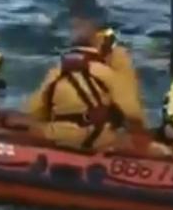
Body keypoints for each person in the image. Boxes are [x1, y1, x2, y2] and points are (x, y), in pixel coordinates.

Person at [22, 10, 148, 151]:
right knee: (127, 141)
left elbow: (34, 110)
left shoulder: (56, 72)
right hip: (98, 137)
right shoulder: (106, 74)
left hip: (58, 135)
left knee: (36, 130)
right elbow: (133, 114)